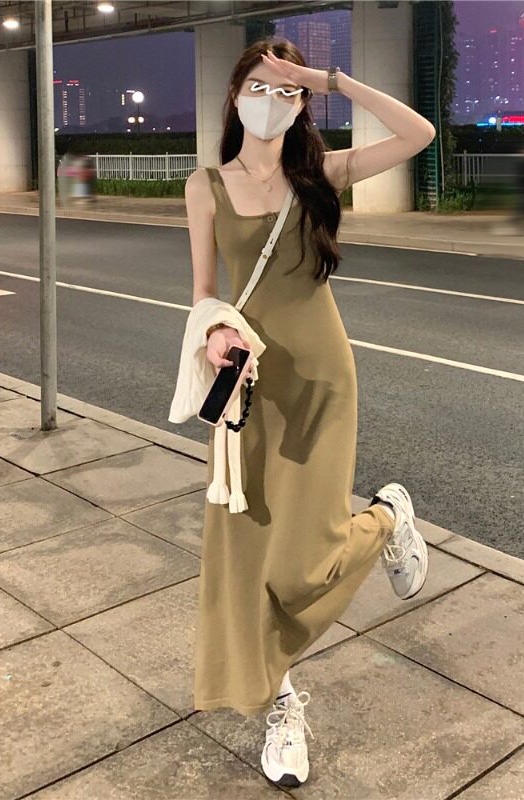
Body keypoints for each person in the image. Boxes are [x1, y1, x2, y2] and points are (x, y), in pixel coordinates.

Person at [183, 39, 436, 788]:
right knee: (246, 560)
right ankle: (282, 706)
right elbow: (203, 292)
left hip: (321, 381)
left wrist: (329, 78)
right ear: (235, 97)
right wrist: (216, 331)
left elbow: (418, 133)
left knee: (302, 561)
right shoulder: (205, 185)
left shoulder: (321, 174)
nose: (271, 101)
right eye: (258, 87)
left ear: (301, 105)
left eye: (286, 91)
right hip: (246, 387)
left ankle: (386, 519)